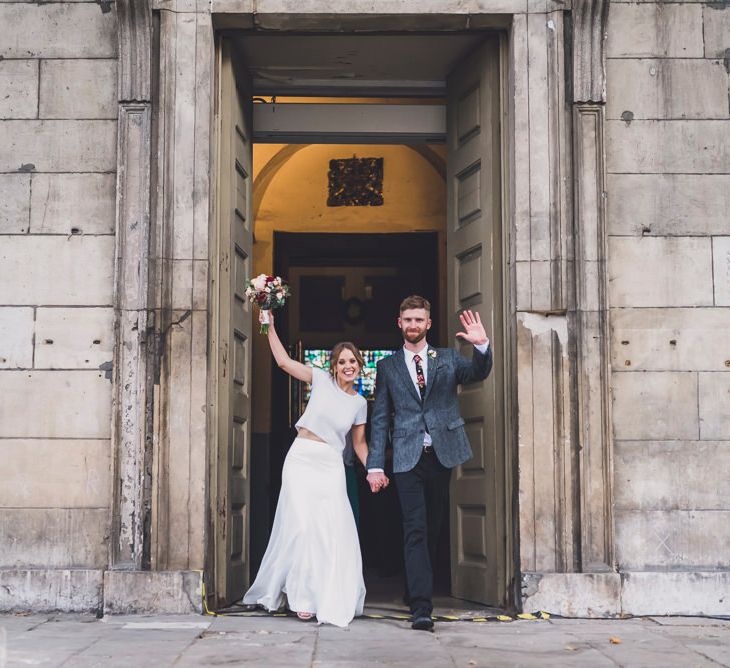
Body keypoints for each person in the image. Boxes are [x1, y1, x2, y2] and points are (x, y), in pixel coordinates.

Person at [242, 310, 385, 627]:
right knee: (302, 526)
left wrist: (374, 469)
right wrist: (269, 326)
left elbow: (359, 444)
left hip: (331, 464)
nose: (348, 366)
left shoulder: (359, 404)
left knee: (328, 530)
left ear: (361, 366)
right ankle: (301, 597)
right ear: (334, 366)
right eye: (342, 361)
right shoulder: (319, 379)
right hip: (302, 457)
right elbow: (282, 362)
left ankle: (322, 594)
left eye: (353, 362)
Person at [366, 295, 492, 631]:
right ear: (399, 323)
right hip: (406, 458)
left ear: (428, 324)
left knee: (433, 526)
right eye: (407, 320)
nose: (413, 326)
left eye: (418, 320)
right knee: (415, 528)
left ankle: (413, 588)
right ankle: (422, 607)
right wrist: (375, 465)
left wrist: (481, 347)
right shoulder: (387, 367)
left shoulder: (449, 359)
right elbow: (380, 419)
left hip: (442, 454)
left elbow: (478, 372)